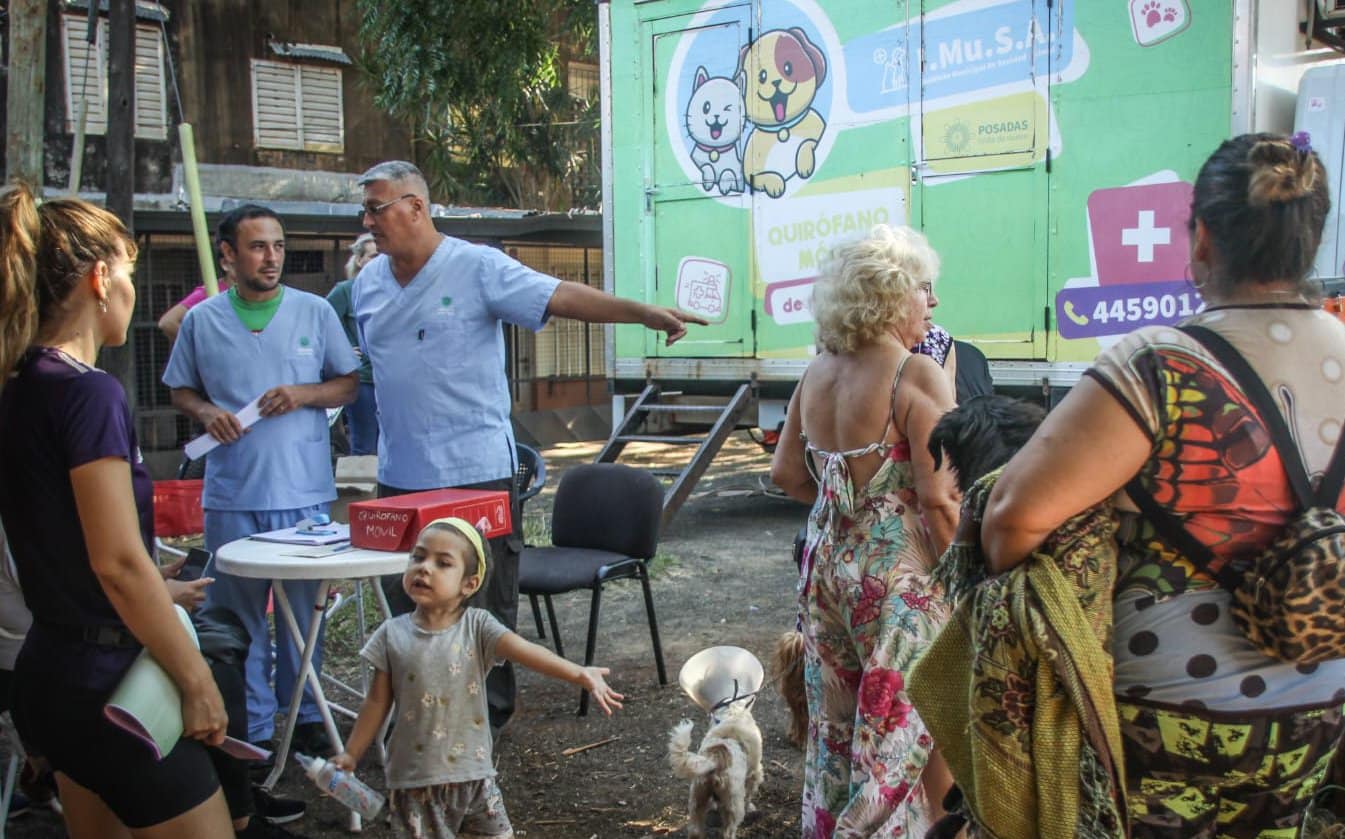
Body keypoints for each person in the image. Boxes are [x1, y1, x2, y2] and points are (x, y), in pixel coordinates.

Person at [982, 132, 1345, 836]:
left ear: (1201, 236)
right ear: (1311, 240)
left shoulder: (1159, 365)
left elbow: (1011, 517)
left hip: (1172, 726)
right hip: (1317, 710)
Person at [349, 160, 705, 732]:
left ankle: (483, 729)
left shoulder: (475, 266)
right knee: (411, 606)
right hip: (401, 477)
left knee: (481, 607)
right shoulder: (367, 284)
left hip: (475, 474)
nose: (368, 221)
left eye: (377, 208)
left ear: (416, 207)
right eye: (365, 210)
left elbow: (562, 296)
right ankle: (420, 721)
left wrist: (642, 314)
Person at [0, 184, 234, 836]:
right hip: (108, 684)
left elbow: (61, 539)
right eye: (130, 271)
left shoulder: (16, 385)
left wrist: (158, 591)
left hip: (48, 673)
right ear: (100, 278)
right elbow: (117, 561)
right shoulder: (88, 393)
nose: (133, 291)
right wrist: (195, 680)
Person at [770, 224, 960, 837]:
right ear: (892, 293)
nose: (932, 303)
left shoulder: (818, 371)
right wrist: (967, 582)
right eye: (924, 289)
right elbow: (940, 500)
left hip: (825, 571)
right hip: (898, 579)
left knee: (838, 723)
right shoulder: (916, 373)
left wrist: (846, 508)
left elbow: (786, 475)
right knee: (900, 730)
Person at [163, 204, 359, 757]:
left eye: (277, 245)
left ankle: (302, 722)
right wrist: (205, 414)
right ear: (227, 255)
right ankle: (250, 731)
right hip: (232, 493)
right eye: (257, 246)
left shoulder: (314, 312)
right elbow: (180, 390)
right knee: (236, 615)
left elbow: (346, 384)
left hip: (301, 489)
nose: (271, 257)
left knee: (304, 618)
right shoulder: (203, 322)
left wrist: (302, 394)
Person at [330, 517, 623, 838]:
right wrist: (352, 752)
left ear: (469, 584)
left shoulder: (478, 627)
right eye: (418, 557)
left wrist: (579, 672)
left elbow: (526, 651)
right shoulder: (391, 634)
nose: (424, 568)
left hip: (475, 776)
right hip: (415, 781)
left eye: (443, 563)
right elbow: (376, 701)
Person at [326, 232, 379, 455]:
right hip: (363, 380)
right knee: (365, 445)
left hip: (391, 380)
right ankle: (361, 490)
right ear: (359, 260)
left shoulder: (390, 290)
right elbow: (321, 325)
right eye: (373, 256)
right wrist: (343, 351)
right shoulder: (345, 290)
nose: (379, 261)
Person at [158, 251, 235, 343]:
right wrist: (202, 346)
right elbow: (168, 322)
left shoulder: (253, 295)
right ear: (225, 264)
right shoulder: (209, 292)